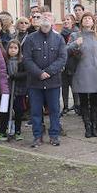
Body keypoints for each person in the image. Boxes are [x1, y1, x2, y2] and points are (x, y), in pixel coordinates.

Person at [21, 12, 68, 147]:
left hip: (53, 82)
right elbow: (27, 59)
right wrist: (39, 73)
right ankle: (37, 136)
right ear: (39, 22)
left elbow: (62, 58)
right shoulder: (30, 39)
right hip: (35, 83)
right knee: (35, 111)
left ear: (53, 21)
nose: (46, 21)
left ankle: (54, 135)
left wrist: (48, 72)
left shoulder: (59, 39)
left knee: (54, 110)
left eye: (48, 18)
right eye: (43, 18)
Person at [69, 13, 97, 138]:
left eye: (90, 18)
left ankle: (94, 126)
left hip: (95, 72)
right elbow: (67, 50)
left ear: (93, 22)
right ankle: (87, 127)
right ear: (81, 21)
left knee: (95, 102)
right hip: (81, 71)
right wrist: (75, 44)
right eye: (85, 18)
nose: (88, 20)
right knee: (84, 101)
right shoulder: (75, 35)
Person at [0, 38, 27, 141]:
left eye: (15, 48)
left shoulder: (22, 61)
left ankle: (18, 131)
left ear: (19, 50)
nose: (13, 50)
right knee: (4, 111)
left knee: (19, 111)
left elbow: (26, 73)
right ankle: (3, 130)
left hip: (19, 90)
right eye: (11, 47)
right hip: (7, 90)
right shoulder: (4, 61)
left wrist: (14, 76)